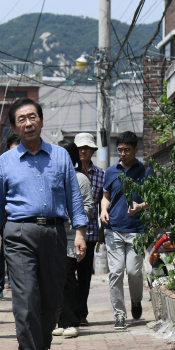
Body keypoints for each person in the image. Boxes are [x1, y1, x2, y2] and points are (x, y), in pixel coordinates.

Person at [0, 98, 88, 350]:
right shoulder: (4, 162)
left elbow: (73, 197)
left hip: (54, 233)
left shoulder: (60, 157)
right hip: (18, 234)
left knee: (53, 300)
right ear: (14, 126)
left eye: (32, 117)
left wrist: (80, 232)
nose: (27, 123)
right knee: (26, 299)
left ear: (41, 120)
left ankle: (41, 347)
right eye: (21, 119)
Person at [99, 131, 151, 330]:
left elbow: (153, 199)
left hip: (137, 230)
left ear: (136, 150)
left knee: (134, 272)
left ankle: (136, 300)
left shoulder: (145, 171)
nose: (122, 153)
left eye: (126, 150)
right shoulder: (111, 172)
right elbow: (106, 196)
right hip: (113, 229)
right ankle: (119, 315)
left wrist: (140, 206)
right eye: (119, 150)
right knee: (116, 272)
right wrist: (103, 210)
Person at [52, 141, 94, 338]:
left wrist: (71, 215)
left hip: (72, 236)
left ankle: (72, 321)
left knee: (68, 277)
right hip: (52, 235)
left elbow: (88, 207)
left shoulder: (80, 179)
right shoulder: (50, 176)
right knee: (55, 280)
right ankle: (60, 320)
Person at [73, 133, 105, 326]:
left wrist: (102, 230)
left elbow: (102, 203)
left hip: (91, 231)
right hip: (69, 232)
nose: (83, 151)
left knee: (85, 274)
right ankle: (69, 310)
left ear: (93, 151)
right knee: (69, 273)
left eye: (87, 148)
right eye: (79, 148)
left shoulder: (101, 174)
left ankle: (81, 312)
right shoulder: (68, 171)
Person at [0, 132, 21, 299]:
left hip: (18, 218)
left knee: (15, 253)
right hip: (2, 217)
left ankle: (14, 281)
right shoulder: (2, 165)